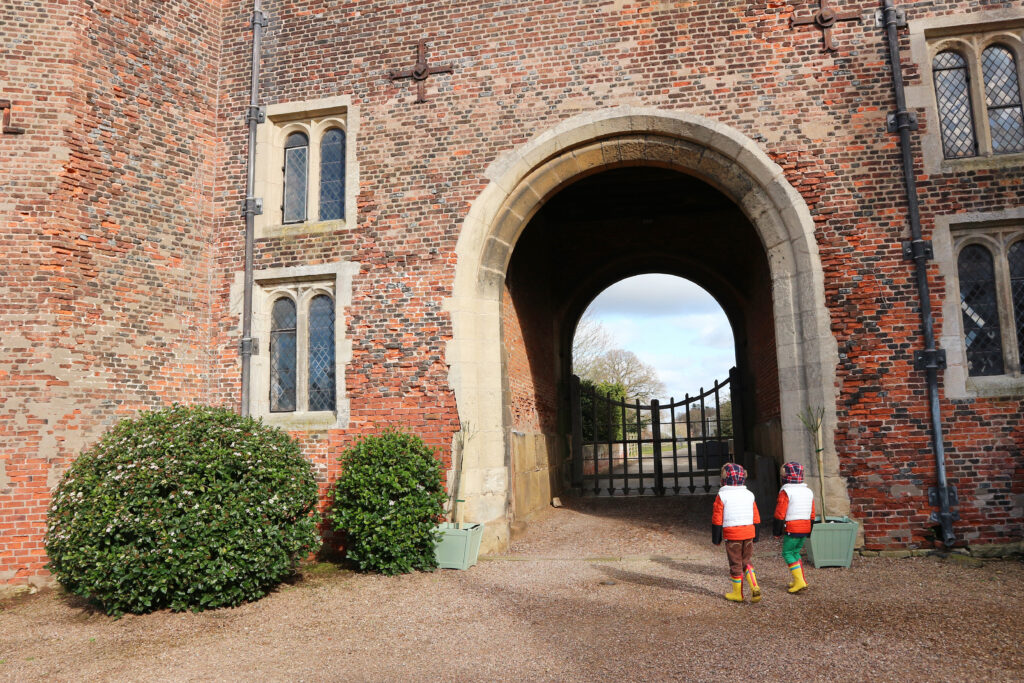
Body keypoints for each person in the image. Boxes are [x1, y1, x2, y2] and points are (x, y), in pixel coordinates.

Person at [711, 462, 761, 603]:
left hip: (733, 534)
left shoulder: (722, 495)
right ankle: (754, 586)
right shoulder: (749, 494)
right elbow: (756, 515)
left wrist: (716, 538)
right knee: (747, 561)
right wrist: (756, 534)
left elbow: (717, 518)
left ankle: (737, 593)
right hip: (749, 532)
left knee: (735, 564)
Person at [772, 461, 815, 593]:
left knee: (787, 553)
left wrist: (777, 531)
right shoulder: (808, 491)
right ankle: (800, 580)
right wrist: (810, 530)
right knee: (796, 553)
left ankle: (800, 581)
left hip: (793, 527)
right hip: (806, 526)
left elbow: (780, 513)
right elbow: (812, 512)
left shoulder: (786, 491)